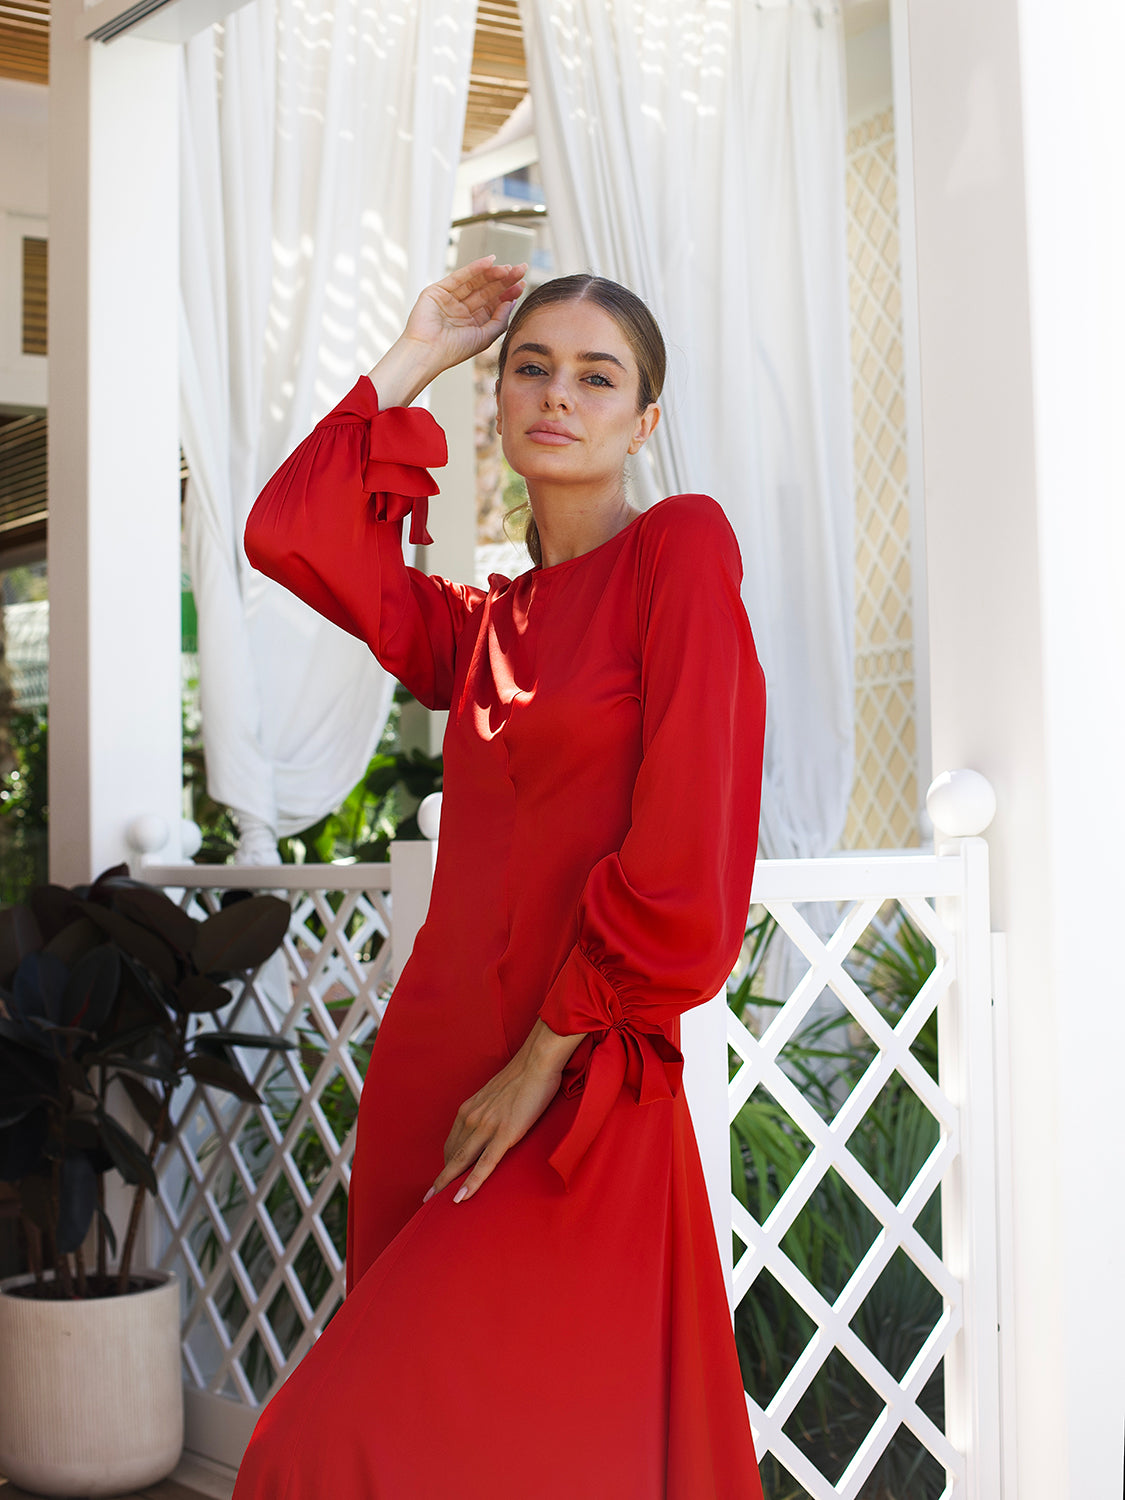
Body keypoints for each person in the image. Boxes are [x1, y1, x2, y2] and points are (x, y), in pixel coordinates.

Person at [233, 258, 767, 1499]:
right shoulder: (484, 626)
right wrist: (417, 352)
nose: (556, 395)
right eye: (531, 367)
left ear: (643, 422)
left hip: (572, 1082)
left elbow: (692, 848)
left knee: (328, 1455)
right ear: (499, 399)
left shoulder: (680, 553)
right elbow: (285, 535)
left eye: (596, 377)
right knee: (455, 1461)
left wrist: (544, 1056)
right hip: (436, 1069)